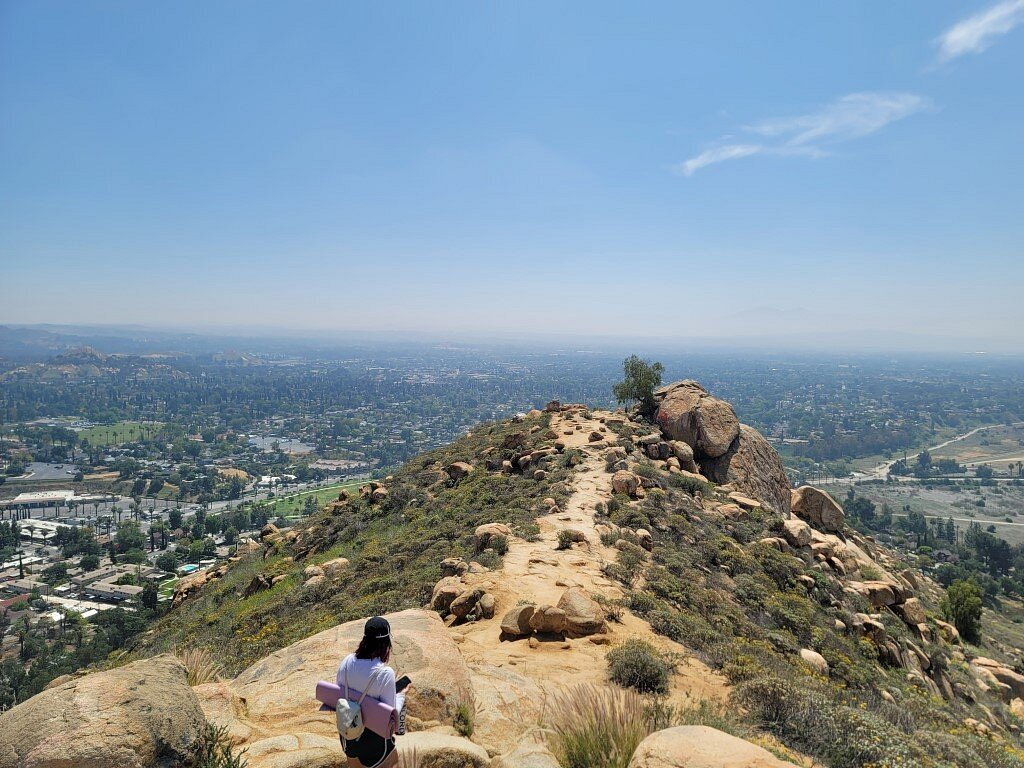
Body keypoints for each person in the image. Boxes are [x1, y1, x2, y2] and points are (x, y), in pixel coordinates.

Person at [336, 616, 409, 768]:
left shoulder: (347, 662)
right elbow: (390, 714)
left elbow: (342, 694)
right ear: (386, 643)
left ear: (364, 640)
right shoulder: (384, 672)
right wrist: (401, 695)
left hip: (349, 736)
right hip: (375, 745)